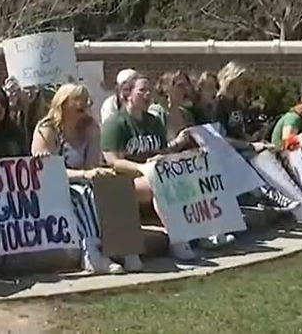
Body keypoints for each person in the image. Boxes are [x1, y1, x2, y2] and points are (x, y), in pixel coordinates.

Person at [32, 84, 142, 274]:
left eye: (86, 99)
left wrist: (92, 174)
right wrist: (83, 175)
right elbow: (48, 172)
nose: (84, 104)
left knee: (115, 184)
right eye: (78, 100)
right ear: (64, 103)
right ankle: (91, 252)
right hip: (52, 185)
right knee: (83, 193)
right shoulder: (47, 129)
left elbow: (91, 165)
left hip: (81, 178)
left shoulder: (90, 128)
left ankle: (126, 249)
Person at [100, 75, 198, 260]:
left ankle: (206, 231)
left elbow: (161, 150)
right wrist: (142, 168)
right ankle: (178, 239)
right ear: (126, 94)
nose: (147, 95)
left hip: (154, 174)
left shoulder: (153, 122)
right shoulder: (115, 124)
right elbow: (113, 161)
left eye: (149, 91)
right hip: (125, 181)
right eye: (142, 91)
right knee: (158, 183)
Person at [211, 62, 302, 219]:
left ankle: (293, 195)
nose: (245, 87)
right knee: (253, 159)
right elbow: (219, 137)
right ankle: (270, 195)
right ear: (231, 80)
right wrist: (250, 145)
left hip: (241, 145)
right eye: (243, 82)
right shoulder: (219, 104)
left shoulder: (235, 103)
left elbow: (238, 131)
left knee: (270, 152)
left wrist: (255, 141)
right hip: (228, 151)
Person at [148, 71, 198, 140]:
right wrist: (176, 144)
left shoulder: (187, 115)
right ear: (167, 88)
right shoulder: (156, 113)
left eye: (186, 85)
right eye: (180, 86)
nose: (185, 90)